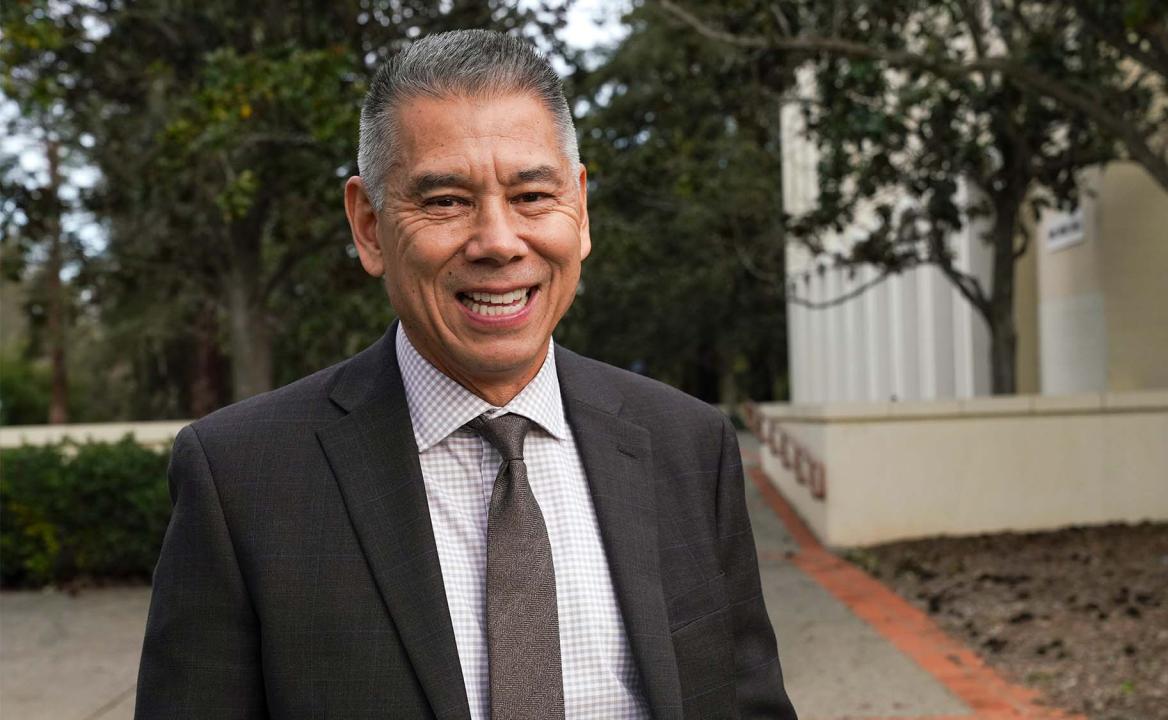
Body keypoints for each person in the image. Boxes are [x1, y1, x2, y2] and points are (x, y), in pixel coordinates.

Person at [135, 29, 794, 720]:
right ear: (368, 224)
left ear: (581, 207)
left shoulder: (687, 444)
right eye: (446, 201)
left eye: (533, 195)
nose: (500, 242)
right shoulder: (241, 480)